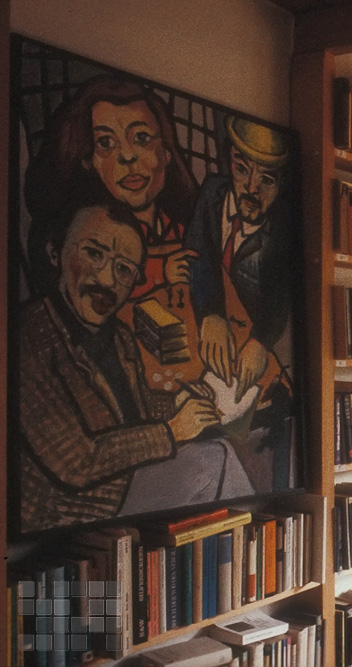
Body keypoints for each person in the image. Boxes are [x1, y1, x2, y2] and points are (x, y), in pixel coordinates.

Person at [17, 203, 253, 533]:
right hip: (66, 515)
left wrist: (179, 404)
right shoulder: (28, 335)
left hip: (121, 489)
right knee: (214, 461)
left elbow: (134, 409)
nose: (107, 279)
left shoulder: (119, 337)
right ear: (55, 252)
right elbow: (76, 462)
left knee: (219, 453)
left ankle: (237, 548)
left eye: (124, 269)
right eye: (94, 254)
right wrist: (172, 430)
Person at [23, 75, 199, 299]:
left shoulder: (188, 231)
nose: (127, 156)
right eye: (106, 142)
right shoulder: (82, 238)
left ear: (166, 153)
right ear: (89, 161)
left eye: (142, 137)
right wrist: (159, 272)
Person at [184, 116, 293, 403]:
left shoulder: (284, 228)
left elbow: (282, 296)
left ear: (282, 184)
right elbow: (197, 254)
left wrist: (261, 341)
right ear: (229, 162)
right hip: (217, 325)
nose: (251, 188)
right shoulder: (212, 191)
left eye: (267, 180)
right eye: (242, 169)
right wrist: (210, 313)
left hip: (252, 338)